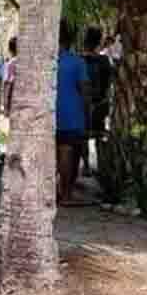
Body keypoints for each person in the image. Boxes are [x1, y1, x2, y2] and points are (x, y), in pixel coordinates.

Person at [56, 21, 89, 205]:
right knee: (67, 152)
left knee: (50, 155)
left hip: (45, 116)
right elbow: (85, 91)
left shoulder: (42, 62)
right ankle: (66, 195)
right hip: (71, 117)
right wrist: (87, 113)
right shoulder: (77, 62)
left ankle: (51, 193)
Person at [81, 27, 113, 176]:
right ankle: (102, 167)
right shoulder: (104, 60)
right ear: (99, 41)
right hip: (100, 104)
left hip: (82, 105)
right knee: (99, 135)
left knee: (83, 137)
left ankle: (86, 165)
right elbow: (108, 82)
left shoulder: (79, 60)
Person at [1, 37, 18, 117]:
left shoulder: (9, 64)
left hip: (12, 94)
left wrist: (5, 106)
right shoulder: (24, 62)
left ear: (9, 49)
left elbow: (6, 83)